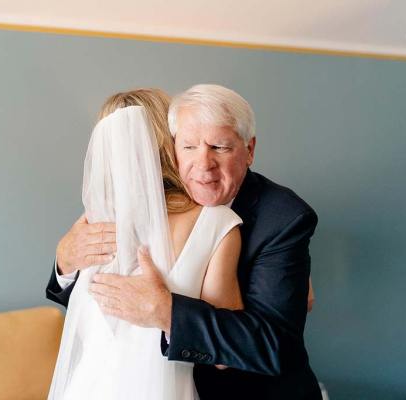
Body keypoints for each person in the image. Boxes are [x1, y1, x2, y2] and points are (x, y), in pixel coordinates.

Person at [47, 84, 322, 399]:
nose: (204, 164)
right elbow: (102, 308)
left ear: (249, 150)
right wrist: (64, 262)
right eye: (189, 146)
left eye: (220, 147)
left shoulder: (282, 218)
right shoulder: (118, 212)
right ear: (170, 147)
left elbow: (274, 346)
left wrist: (166, 311)